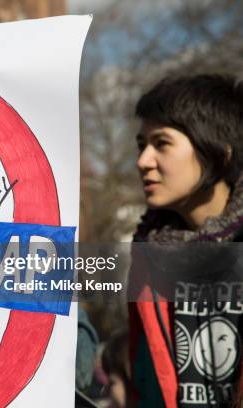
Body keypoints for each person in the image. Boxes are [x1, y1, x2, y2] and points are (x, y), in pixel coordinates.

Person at [128, 74, 243, 408]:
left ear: (219, 153)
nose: (143, 161)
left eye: (162, 143)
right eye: (141, 145)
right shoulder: (148, 253)